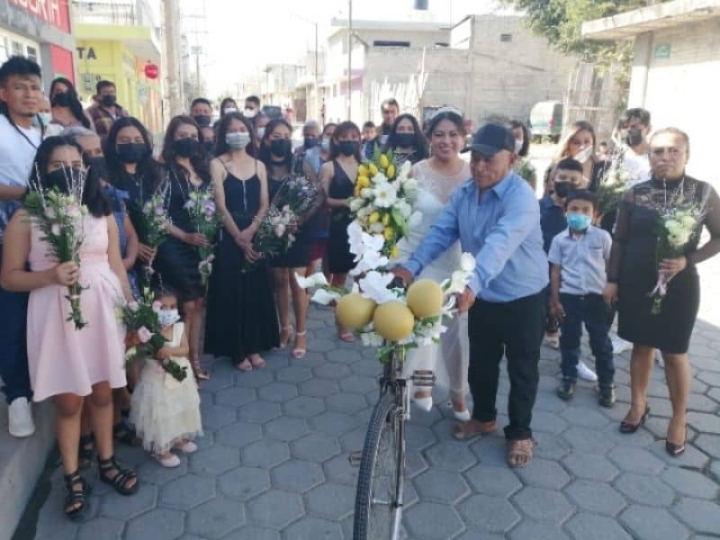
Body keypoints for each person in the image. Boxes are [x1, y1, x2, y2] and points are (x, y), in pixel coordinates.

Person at [393, 124, 548, 468]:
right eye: (475, 158)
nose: (479, 167)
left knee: (523, 366)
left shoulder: (521, 198)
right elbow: (441, 232)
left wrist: (472, 283)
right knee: (481, 362)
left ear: (512, 159)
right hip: (482, 294)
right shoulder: (466, 192)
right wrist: (411, 266)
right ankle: (484, 417)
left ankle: (520, 432)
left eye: (488, 160)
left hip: (522, 296)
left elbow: (500, 242)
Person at [1, 136, 140, 520]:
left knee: (102, 393)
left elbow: (115, 265)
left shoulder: (103, 211)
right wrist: (48, 276)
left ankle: (108, 461)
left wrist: (132, 310)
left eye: (76, 166)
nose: (69, 173)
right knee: (68, 401)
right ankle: (72, 474)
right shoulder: (26, 216)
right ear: (42, 173)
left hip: (102, 308)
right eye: (57, 166)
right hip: (55, 313)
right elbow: (10, 278)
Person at [605, 127, 720, 456]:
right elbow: (621, 240)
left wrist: (688, 259)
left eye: (673, 150)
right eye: (658, 151)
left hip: (680, 285)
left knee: (673, 353)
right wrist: (612, 279)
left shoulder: (703, 192)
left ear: (687, 154)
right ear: (649, 155)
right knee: (640, 345)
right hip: (636, 281)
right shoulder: (635, 194)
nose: (665, 157)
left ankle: (679, 419)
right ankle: (638, 405)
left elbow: (719, 237)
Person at [61, 125, 141, 460]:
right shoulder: (54, 208)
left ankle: (120, 413)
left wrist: (127, 259)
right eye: (86, 153)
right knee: (84, 367)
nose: (94, 159)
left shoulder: (109, 195)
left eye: (97, 151)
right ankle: (85, 432)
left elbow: (129, 234)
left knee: (117, 357)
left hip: (118, 279)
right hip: (80, 294)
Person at [395, 108, 471, 420]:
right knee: (415, 331)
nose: (446, 140)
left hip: (455, 263)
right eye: (439, 134)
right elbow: (394, 217)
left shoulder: (473, 173)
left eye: (453, 134)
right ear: (429, 137)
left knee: (456, 337)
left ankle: (457, 395)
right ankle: (414, 389)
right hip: (416, 258)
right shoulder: (414, 171)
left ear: (463, 138)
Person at [205, 112, 279, 371]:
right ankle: (237, 351)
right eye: (232, 129)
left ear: (250, 133)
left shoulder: (259, 165)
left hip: (255, 234)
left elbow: (265, 204)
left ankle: (254, 345)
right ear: (224, 135)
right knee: (233, 291)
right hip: (229, 235)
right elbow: (220, 205)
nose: (238, 133)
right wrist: (238, 237)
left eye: (242, 128)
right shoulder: (217, 164)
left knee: (256, 291)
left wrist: (252, 231)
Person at [0, 56, 43, 438]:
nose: (28, 94)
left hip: (48, 233)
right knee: (13, 315)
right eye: (19, 86)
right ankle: (16, 396)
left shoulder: (46, 129)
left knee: (44, 308)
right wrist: (31, 193)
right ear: (3, 92)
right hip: (9, 232)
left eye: (33, 86)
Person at [154, 115, 212, 381]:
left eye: (193, 136)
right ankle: (185, 361)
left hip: (201, 246)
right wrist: (185, 236)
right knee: (187, 304)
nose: (188, 140)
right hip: (175, 245)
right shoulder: (163, 170)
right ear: (172, 138)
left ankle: (194, 356)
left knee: (199, 302)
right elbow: (155, 213)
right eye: (182, 136)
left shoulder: (203, 168)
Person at [260, 119, 320, 359]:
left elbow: (317, 196)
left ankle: (302, 333)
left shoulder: (300, 165)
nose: (281, 140)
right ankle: (284, 328)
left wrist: (301, 219)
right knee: (279, 280)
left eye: (286, 135)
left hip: (298, 230)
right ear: (267, 139)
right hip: (273, 232)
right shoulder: (260, 166)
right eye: (276, 136)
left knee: (297, 283)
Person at [549, 190, 615, 406]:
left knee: (601, 342)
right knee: (569, 340)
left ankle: (606, 384)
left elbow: (609, 265)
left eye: (585, 210)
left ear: (595, 214)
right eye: (574, 209)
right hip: (570, 298)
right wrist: (555, 300)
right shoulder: (559, 240)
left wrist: (610, 288)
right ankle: (569, 378)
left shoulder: (602, 237)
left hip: (596, 299)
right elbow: (556, 271)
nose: (579, 214)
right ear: (565, 212)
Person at [131, 288, 202, 467]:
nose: (168, 312)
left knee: (178, 408)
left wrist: (168, 351)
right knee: (162, 413)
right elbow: (141, 354)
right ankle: (161, 448)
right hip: (157, 382)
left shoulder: (179, 327)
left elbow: (185, 349)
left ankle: (177, 438)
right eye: (163, 307)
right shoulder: (148, 332)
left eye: (172, 307)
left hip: (178, 378)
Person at [104, 117, 162, 285]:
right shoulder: (107, 176)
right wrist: (134, 246)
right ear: (113, 144)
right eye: (124, 140)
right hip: (123, 252)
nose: (132, 144)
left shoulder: (155, 172)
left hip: (156, 252)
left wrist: (155, 241)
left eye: (137, 140)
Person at [319, 121, 362, 341]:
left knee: (364, 276)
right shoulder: (329, 167)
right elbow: (322, 199)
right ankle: (341, 324)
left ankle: (363, 319)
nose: (350, 141)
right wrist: (346, 202)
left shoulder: (366, 166)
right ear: (336, 140)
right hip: (339, 228)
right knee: (340, 278)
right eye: (345, 136)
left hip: (363, 228)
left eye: (355, 136)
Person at [305, 123, 337, 279]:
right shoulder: (310, 155)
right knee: (312, 254)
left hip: (334, 213)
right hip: (315, 213)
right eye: (328, 134)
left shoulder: (341, 156)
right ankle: (305, 289)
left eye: (334, 134)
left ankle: (329, 287)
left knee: (330, 255)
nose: (330, 138)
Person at [547, 120, 609, 194]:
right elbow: (546, 201)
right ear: (567, 145)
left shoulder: (602, 167)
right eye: (576, 143)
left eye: (587, 142)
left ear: (593, 143)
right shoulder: (557, 168)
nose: (582, 147)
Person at [509, 120, 537, 192]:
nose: (514, 140)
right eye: (510, 136)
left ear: (524, 140)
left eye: (517, 136)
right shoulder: (494, 164)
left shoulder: (528, 170)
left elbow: (531, 197)